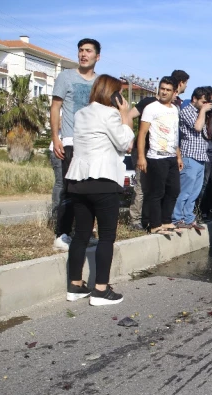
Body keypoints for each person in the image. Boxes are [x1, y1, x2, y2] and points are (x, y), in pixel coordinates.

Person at [65, 74, 134, 305]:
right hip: (103, 181)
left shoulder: (81, 113)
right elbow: (125, 143)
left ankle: (75, 286)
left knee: (81, 235)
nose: (122, 97)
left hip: (78, 181)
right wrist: (125, 115)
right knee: (106, 237)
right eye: (120, 93)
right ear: (113, 95)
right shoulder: (111, 114)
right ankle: (101, 291)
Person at [50, 38, 101, 251]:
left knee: (90, 191)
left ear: (97, 56)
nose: (83, 54)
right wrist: (56, 138)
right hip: (70, 141)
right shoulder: (66, 76)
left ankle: (84, 232)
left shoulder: (100, 82)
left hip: (92, 144)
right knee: (69, 190)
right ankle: (62, 234)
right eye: (81, 50)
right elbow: (55, 107)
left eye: (88, 51)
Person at [127, 69, 189, 230]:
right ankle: (154, 224)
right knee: (156, 192)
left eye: (168, 90)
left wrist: (178, 156)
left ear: (174, 92)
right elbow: (142, 134)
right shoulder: (151, 107)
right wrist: (141, 156)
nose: (164, 92)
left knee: (174, 190)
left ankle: (166, 221)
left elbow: (174, 135)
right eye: (162, 89)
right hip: (155, 156)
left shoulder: (175, 109)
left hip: (171, 156)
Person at [172, 87, 212, 230]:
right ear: (194, 99)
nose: (206, 105)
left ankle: (189, 218)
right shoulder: (187, 111)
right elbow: (197, 127)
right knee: (185, 191)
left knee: (194, 193)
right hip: (190, 157)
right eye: (203, 102)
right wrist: (203, 111)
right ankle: (177, 218)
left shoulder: (202, 113)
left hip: (201, 157)